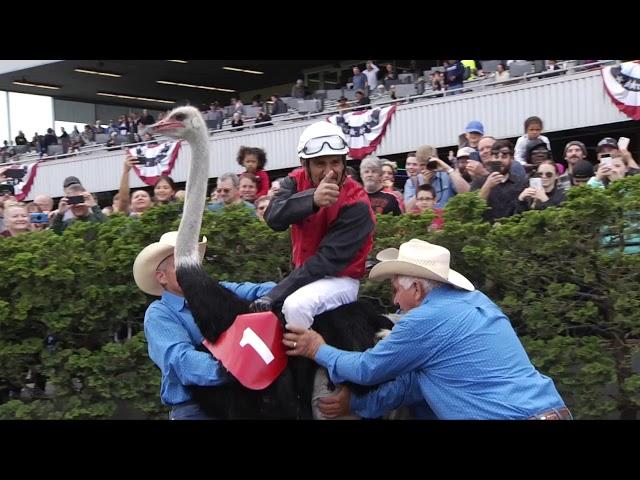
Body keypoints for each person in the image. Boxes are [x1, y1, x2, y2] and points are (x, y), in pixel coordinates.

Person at [284, 239, 570, 420]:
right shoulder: (477, 301)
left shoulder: (424, 321)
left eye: (396, 290)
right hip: (554, 409)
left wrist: (318, 349)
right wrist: (358, 405)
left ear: (417, 289)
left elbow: (368, 369)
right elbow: (415, 384)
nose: (395, 300)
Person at [134, 231, 275, 419]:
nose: (191, 271)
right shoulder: (159, 313)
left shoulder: (218, 290)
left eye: (193, 264)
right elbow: (180, 360)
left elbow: (265, 290)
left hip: (242, 401)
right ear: (161, 277)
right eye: (182, 265)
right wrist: (233, 369)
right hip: (194, 409)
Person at [253, 121, 376, 329]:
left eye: (335, 162)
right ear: (305, 164)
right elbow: (273, 218)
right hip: (304, 273)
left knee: (296, 306)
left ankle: (312, 358)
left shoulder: (357, 203)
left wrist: (276, 294)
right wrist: (311, 201)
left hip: (341, 279)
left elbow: (325, 262)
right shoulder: (294, 180)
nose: (329, 172)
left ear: (344, 163)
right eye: (320, 163)